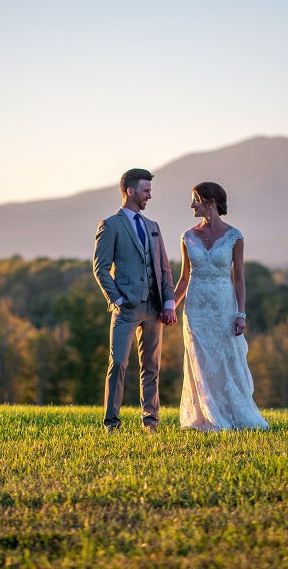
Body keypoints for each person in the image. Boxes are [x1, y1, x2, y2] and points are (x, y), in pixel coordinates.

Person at [173, 182, 268, 431]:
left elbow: (238, 278)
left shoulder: (234, 237)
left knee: (226, 361)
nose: (192, 205)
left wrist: (240, 314)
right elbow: (184, 277)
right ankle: (205, 415)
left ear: (211, 202)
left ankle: (233, 414)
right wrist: (170, 306)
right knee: (199, 361)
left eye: (196, 199)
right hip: (195, 310)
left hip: (224, 308)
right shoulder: (187, 236)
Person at [93, 168, 177, 433]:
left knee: (151, 367)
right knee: (118, 363)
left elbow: (164, 268)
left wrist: (168, 303)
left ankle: (151, 423)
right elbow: (100, 268)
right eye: (146, 190)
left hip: (154, 309)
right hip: (126, 309)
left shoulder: (153, 227)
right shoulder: (111, 225)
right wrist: (116, 299)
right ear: (130, 192)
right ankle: (111, 424)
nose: (149, 196)